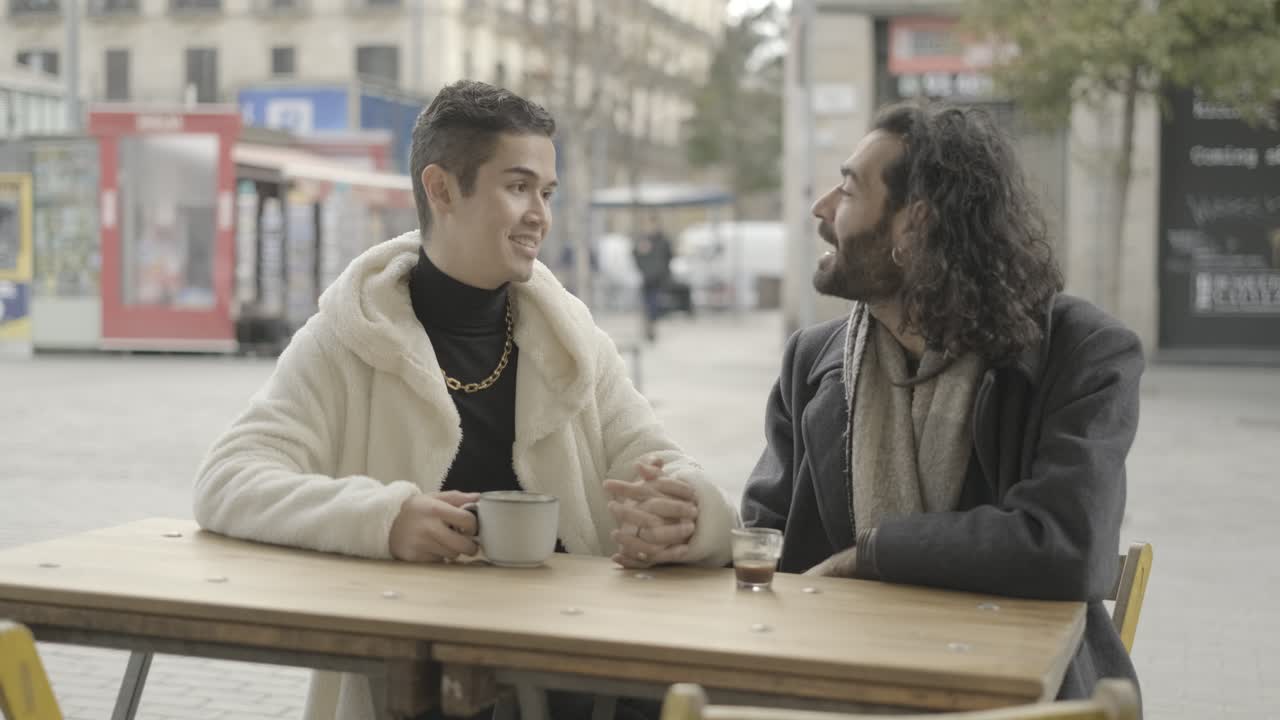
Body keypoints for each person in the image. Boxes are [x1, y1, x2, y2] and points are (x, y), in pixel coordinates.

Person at [194, 81, 737, 720]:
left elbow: (657, 460)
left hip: (577, 677)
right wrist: (385, 519)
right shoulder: (348, 337)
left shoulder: (573, 338)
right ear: (442, 189)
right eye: (518, 186)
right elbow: (227, 480)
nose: (540, 213)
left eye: (547, 192)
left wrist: (685, 513)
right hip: (415, 681)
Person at [741, 103, 1144, 709]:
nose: (821, 209)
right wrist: (695, 529)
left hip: (1017, 697)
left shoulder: (1082, 351)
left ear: (914, 227)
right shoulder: (812, 359)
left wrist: (872, 555)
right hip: (838, 686)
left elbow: (1067, 546)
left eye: (849, 189)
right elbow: (766, 538)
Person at [631, 214, 673, 341]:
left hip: (658, 278)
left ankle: (651, 324)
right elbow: (635, 255)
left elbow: (669, 256)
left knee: (655, 303)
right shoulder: (643, 241)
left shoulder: (662, 240)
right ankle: (649, 326)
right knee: (648, 303)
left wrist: (663, 270)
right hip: (646, 278)